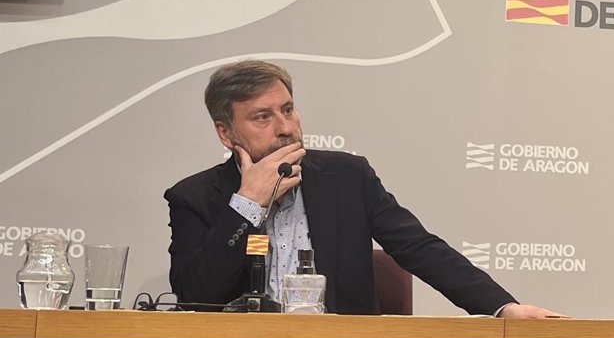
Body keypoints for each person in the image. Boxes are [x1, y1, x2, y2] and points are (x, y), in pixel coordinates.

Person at [165, 60, 562, 318]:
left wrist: (502, 306)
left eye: (287, 110)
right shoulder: (194, 198)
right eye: (262, 117)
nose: (285, 127)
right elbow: (196, 295)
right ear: (226, 133)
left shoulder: (345, 178)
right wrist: (248, 203)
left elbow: (420, 248)